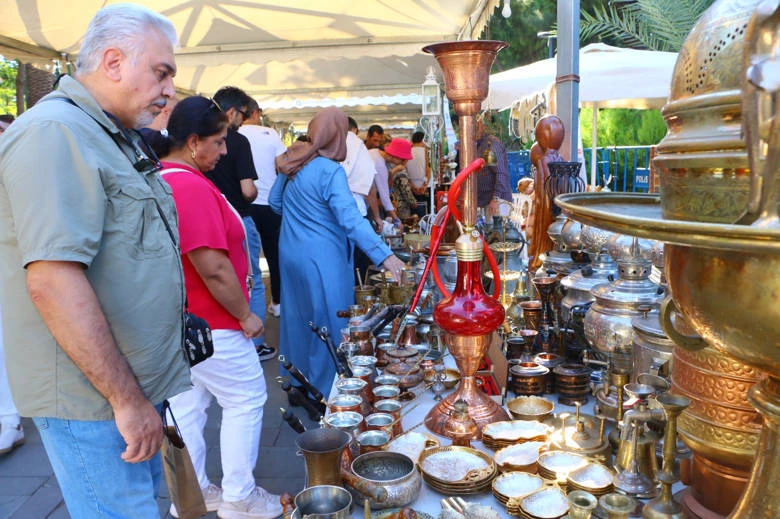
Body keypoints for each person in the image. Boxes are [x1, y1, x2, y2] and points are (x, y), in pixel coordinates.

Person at [0, 4, 190, 517]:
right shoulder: (55, 132)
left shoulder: (104, 132)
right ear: (113, 62)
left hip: (123, 387)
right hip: (97, 399)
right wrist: (126, 400)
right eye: (162, 71)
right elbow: (53, 280)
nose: (169, 89)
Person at [151, 95, 282, 519]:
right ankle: (239, 497)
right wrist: (246, 314)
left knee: (190, 406)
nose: (224, 152)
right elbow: (213, 266)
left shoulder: (164, 177)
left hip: (184, 319)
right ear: (193, 142)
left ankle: (192, 495)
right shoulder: (186, 184)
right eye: (220, 142)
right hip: (212, 321)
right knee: (245, 398)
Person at [270, 107, 405, 396]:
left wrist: (301, 220)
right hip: (323, 257)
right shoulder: (329, 170)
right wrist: (386, 255)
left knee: (296, 319)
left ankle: (296, 382)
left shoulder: (293, 160)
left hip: (290, 253)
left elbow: (274, 203)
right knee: (328, 322)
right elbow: (351, 219)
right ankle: (324, 391)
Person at [208, 86, 275, 361]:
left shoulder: (201, 140)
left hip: (209, 220)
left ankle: (223, 340)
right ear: (233, 111)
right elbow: (248, 190)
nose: (244, 120)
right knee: (252, 281)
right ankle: (255, 345)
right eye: (244, 114)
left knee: (216, 276)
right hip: (238, 218)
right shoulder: (237, 141)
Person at [239, 99, 286, 319]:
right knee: (274, 255)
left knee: (246, 260)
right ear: (256, 112)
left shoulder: (236, 133)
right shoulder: (271, 133)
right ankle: (277, 302)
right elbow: (283, 166)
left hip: (244, 203)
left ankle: (246, 306)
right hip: (270, 203)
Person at [341, 116, 381, 282]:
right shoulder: (358, 146)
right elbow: (369, 187)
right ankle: (357, 299)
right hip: (356, 212)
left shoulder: (327, 144)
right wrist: (377, 217)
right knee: (359, 263)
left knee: (342, 263)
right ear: (355, 130)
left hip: (334, 215)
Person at [475, 116, 513, 218]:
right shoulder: (481, 145)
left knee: (497, 232)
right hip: (488, 202)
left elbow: (500, 173)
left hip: (496, 204)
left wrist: (495, 199)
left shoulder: (489, 146)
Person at [384, 138, 419, 220]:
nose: (406, 161)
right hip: (400, 207)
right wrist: (413, 202)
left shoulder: (388, 165)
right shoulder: (400, 171)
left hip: (390, 206)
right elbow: (405, 190)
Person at [407, 130, 431, 213]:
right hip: (424, 186)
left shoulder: (407, 150)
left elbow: (405, 169)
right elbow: (428, 169)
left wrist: (411, 185)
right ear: (423, 140)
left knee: (413, 211)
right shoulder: (426, 151)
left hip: (410, 187)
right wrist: (424, 185)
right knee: (425, 210)